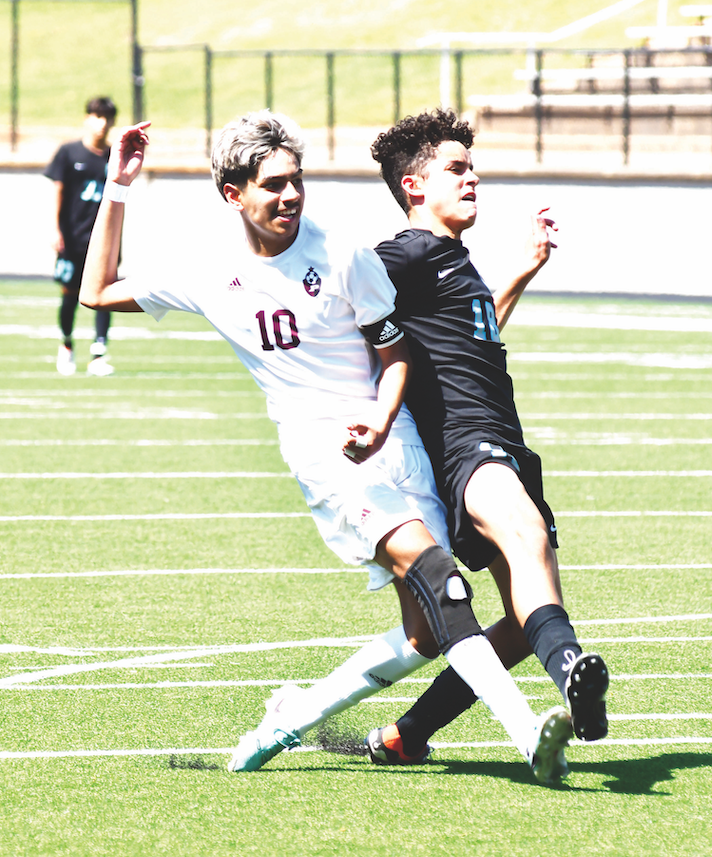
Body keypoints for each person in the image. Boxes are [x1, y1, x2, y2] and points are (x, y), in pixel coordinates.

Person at [78, 109, 574, 785]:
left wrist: (378, 419)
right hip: (325, 456)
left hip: (393, 443)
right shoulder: (205, 270)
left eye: (297, 180)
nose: (290, 195)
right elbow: (95, 291)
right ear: (234, 194)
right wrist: (120, 184)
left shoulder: (343, 254)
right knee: (444, 583)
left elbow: (397, 352)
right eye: (273, 184)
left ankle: (290, 717)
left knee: (426, 633)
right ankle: (528, 736)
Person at [360, 109, 610, 769]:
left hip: (503, 439)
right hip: (465, 446)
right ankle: (574, 678)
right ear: (414, 187)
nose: (473, 180)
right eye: (457, 169)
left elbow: (474, 336)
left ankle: (406, 733)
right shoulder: (405, 254)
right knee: (526, 541)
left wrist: (522, 272)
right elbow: (340, 305)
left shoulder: (451, 258)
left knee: (529, 616)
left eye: (473, 169)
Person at [45, 96, 119, 377]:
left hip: (103, 239)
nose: (101, 123)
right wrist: (55, 228)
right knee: (70, 294)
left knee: (107, 293)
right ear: (87, 118)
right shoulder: (68, 152)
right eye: (96, 116)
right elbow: (58, 192)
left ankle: (99, 354)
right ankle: (66, 345)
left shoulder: (114, 156)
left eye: (107, 118)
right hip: (72, 238)